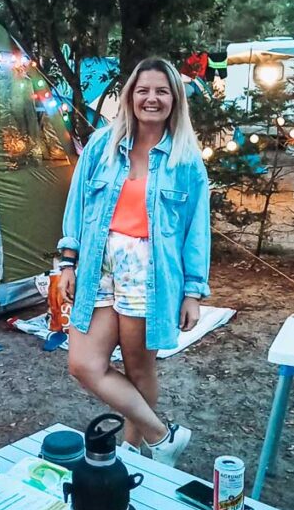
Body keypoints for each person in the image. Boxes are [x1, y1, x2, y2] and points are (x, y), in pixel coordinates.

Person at [57, 57, 211, 466]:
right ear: (130, 96)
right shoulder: (101, 146)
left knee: (140, 371)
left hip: (151, 273)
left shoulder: (186, 161)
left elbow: (197, 230)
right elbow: (75, 207)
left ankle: (133, 457)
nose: (152, 98)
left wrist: (193, 291)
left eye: (161, 91)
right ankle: (163, 436)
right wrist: (67, 263)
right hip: (98, 267)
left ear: (175, 99)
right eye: (143, 90)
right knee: (84, 363)